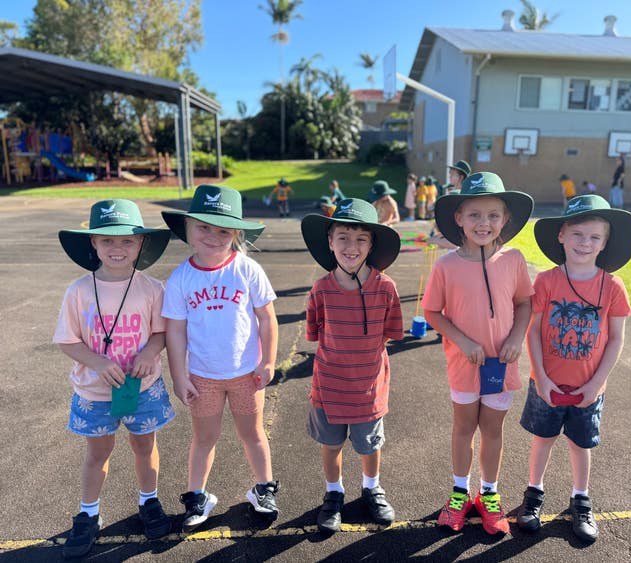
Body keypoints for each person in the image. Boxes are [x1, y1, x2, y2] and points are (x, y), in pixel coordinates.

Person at [54, 200, 174, 558]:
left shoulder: (152, 288)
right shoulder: (78, 290)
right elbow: (67, 339)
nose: (117, 249)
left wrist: (150, 354)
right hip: (95, 392)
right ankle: (89, 512)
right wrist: (96, 361)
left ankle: (148, 500)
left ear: (141, 243)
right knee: (97, 453)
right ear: (93, 243)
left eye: (126, 241)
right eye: (107, 241)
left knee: (144, 447)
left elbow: (160, 333)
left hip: (143, 387)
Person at [517, 194, 631, 543]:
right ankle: (533, 494)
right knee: (543, 440)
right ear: (561, 236)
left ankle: (580, 499)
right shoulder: (545, 281)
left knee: (580, 445)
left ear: (604, 244)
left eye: (594, 237)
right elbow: (535, 331)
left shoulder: (613, 286)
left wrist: (596, 384)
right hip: (546, 383)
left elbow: (615, 339)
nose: (585, 243)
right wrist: (540, 377)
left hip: (588, 386)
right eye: (577, 234)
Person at [161, 185, 280, 532]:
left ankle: (264, 489)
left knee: (253, 434)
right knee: (204, 438)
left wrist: (268, 361)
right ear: (188, 228)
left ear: (236, 234)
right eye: (204, 227)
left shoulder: (247, 269)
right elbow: (176, 332)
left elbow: (267, 318)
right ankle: (197, 495)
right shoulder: (181, 278)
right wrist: (179, 377)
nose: (213, 236)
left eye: (223, 230)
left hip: (246, 374)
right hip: (203, 376)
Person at [422, 172, 534, 536]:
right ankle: (459, 493)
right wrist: (464, 342)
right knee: (463, 428)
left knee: (492, 430)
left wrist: (517, 337)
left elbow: (524, 303)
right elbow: (432, 313)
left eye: (493, 215)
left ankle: (489, 495)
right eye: (474, 215)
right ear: (458, 218)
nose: (483, 223)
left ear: (505, 219)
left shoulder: (513, 259)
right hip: (464, 364)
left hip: (502, 365)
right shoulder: (446, 265)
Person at [300, 198, 403, 534]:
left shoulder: (386, 289)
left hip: (369, 389)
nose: (351, 246)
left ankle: (372, 487)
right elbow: (316, 334)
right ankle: (334, 493)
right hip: (328, 388)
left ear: (372, 244)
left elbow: (389, 335)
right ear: (330, 242)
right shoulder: (320, 290)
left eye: (361, 238)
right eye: (342, 236)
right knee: (331, 446)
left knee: (369, 446)